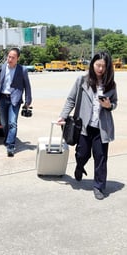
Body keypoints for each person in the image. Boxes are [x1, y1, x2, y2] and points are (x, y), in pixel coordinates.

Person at [57, 51, 117, 200]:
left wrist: (109, 105)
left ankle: (98, 186)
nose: (100, 69)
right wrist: (63, 115)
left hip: (101, 128)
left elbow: (115, 103)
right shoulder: (82, 80)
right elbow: (71, 99)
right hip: (83, 126)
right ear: (92, 65)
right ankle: (79, 166)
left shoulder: (111, 84)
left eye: (103, 66)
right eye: (98, 65)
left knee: (101, 157)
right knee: (82, 154)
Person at [0, 47, 32, 157]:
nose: (10, 59)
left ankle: (11, 145)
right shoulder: (1, 68)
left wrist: (28, 100)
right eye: (9, 57)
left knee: (12, 123)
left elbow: (27, 86)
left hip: (14, 99)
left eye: (13, 58)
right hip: (2, 98)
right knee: (4, 123)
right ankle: (7, 138)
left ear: (17, 59)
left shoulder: (22, 70)